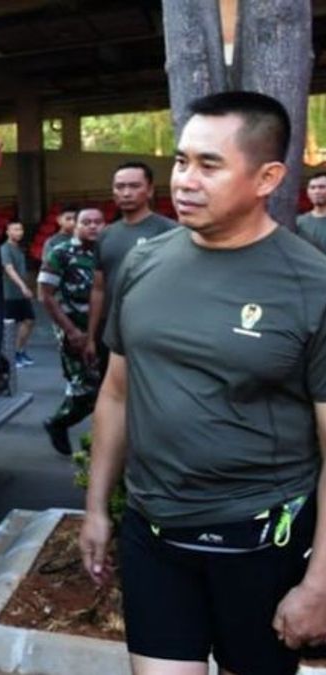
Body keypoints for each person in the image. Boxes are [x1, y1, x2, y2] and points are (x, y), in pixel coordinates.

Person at [79, 91, 326, 675]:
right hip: (154, 536)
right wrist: (95, 508)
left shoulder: (311, 285)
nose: (185, 180)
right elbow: (117, 391)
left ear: (268, 177)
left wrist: (319, 584)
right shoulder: (142, 262)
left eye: (209, 165)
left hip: (261, 544)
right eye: (182, 160)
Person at [83, 162, 177, 369]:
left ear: (150, 190)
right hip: (111, 333)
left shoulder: (170, 232)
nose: (126, 193)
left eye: (134, 186)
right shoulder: (105, 235)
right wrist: (91, 336)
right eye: (120, 187)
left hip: (155, 332)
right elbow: (98, 289)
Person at [37, 206, 104, 456]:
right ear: (76, 225)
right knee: (88, 388)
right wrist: (71, 331)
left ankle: (100, 443)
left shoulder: (104, 253)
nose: (93, 226)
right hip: (73, 330)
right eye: (87, 222)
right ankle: (58, 423)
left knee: (107, 386)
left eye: (98, 222)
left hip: (101, 330)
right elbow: (45, 295)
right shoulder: (60, 253)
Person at [1, 221, 36, 367]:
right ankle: (9, 357)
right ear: (7, 232)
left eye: (20, 229)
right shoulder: (5, 249)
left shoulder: (20, 249)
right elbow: (9, 270)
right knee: (9, 327)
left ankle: (18, 351)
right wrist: (23, 287)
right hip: (9, 293)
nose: (19, 232)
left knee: (29, 320)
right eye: (15, 229)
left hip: (21, 294)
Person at [295, 172, 326, 251]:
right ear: (308, 193)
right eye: (312, 188)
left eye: (322, 187)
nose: (317, 191)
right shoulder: (298, 222)